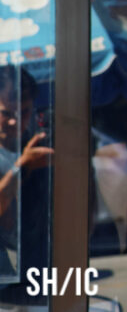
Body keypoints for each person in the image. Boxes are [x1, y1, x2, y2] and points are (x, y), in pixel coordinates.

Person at [0, 67, 52, 307]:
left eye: (25, 112)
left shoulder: (31, 143)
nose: (14, 121)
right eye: (6, 113)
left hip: (32, 275)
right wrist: (22, 167)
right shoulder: (24, 155)